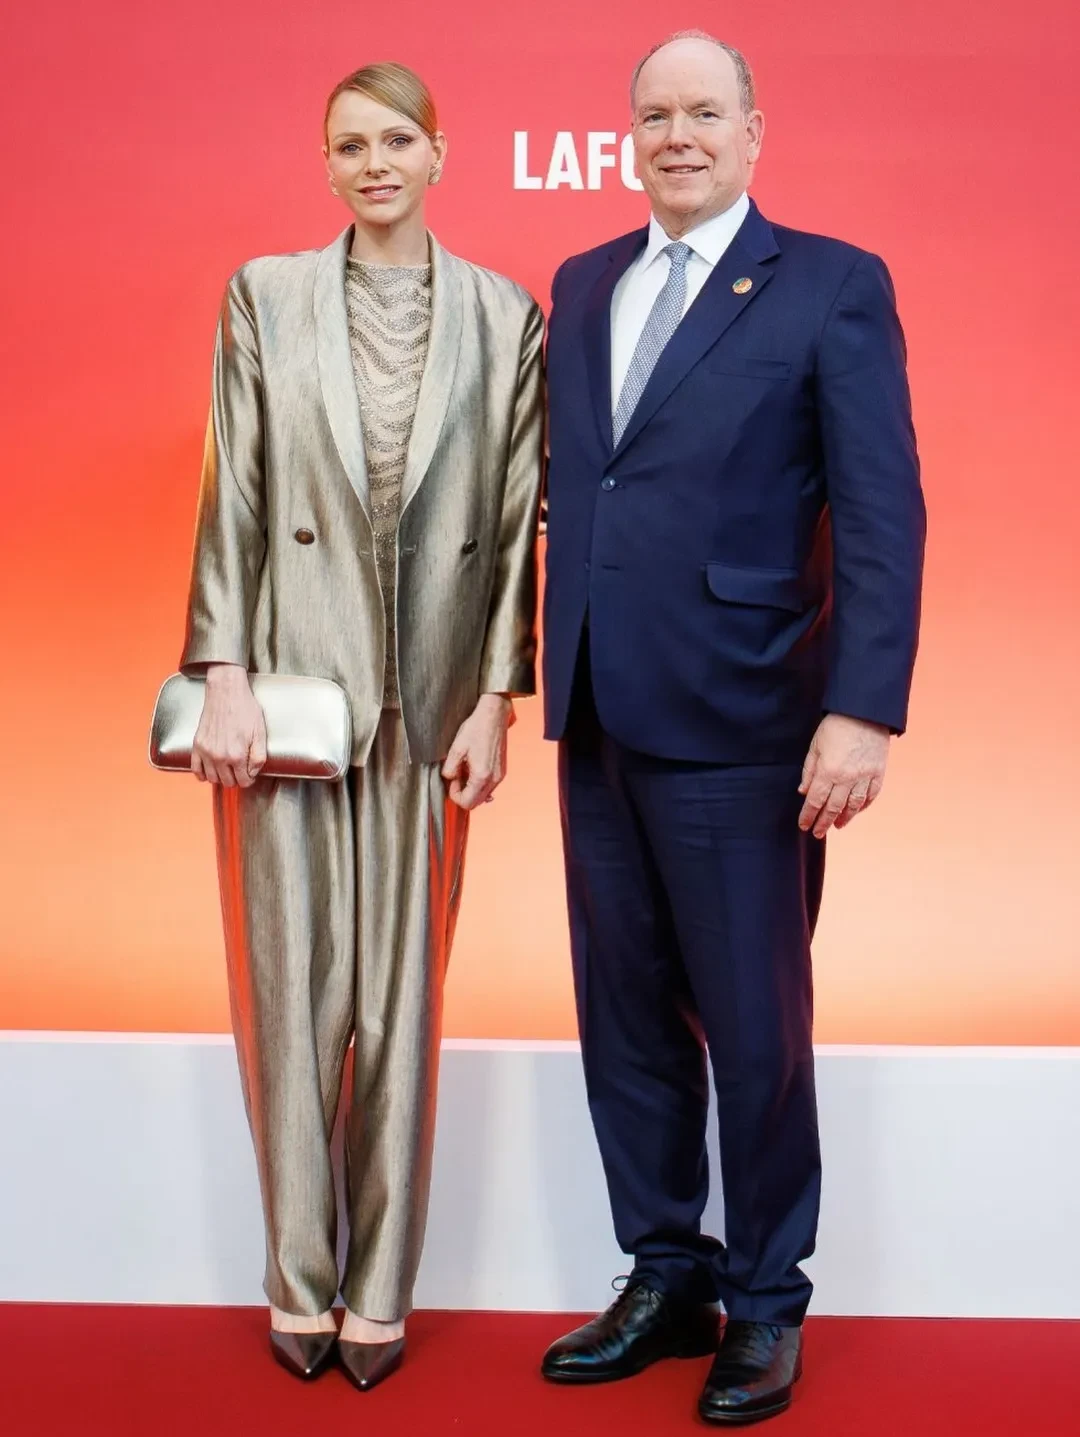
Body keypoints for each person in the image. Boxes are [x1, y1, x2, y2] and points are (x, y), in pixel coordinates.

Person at [540, 31, 925, 1426]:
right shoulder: (584, 283)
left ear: (754, 132)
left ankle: (765, 1300)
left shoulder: (830, 283)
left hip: (750, 717)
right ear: (629, 136)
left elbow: (882, 512)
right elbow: (579, 491)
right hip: (598, 710)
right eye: (656, 115)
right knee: (626, 1017)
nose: (678, 135)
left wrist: (861, 710)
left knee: (756, 1030)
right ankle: (667, 1273)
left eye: (705, 112)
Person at [180, 61, 544, 1390]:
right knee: (289, 997)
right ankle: (299, 1278)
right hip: (287, 694)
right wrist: (220, 667)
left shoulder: (507, 314)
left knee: (401, 1006)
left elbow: (517, 523)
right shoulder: (265, 295)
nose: (374, 163)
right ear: (325, 163)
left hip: (430, 704)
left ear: (441, 152)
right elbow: (232, 489)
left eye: (397, 139)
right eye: (349, 145)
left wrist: (498, 699)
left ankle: (380, 1290)